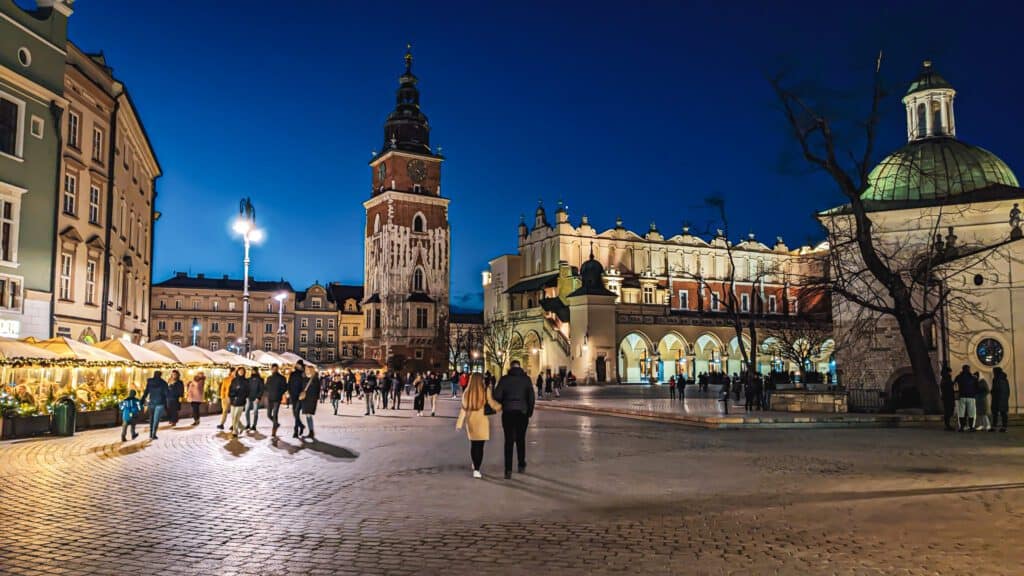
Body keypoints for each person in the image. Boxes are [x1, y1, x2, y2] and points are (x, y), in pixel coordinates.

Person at [492, 359, 536, 479]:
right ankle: (521, 464)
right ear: (520, 367)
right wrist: (529, 412)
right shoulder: (526, 380)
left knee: (508, 441)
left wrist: (505, 401)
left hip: (508, 413)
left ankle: (508, 470)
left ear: (510, 368)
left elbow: (496, 395)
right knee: (521, 439)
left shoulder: (504, 379)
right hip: (522, 412)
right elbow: (531, 397)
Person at [456, 373, 503, 478]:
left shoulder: (466, 393)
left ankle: (475, 465)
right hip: (482, 420)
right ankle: (477, 468)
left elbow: (463, 409)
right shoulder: (485, 390)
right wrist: (501, 407)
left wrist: (459, 423)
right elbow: (492, 403)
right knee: (480, 446)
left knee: (474, 444)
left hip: (471, 421)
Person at [140, 370, 169, 440]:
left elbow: (146, 392)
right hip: (160, 403)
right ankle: (153, 434)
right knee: (156, 420)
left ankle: (150, 433)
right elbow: (166, 394)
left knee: (151, 419)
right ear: (160, 375)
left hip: (152, 402)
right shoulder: (163, 383)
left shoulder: (150, 382)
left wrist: (142, 400)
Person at [265, 364, 287, 437]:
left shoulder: (282, 378)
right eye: (273, 368)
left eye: (275, 368)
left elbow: (285, 387)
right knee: (268, 414)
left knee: (275, 414)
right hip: (270, 398)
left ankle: (274, 430)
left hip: (277, 398)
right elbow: (266, 387)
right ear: (271, 369)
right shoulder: (269, 378)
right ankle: (276, 424)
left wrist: (280, 393)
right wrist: (268, 391)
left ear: (277, 369)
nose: (274, 370)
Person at [953, 365, 977, 432]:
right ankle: (971, 427)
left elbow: (954, 384)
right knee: (971, 412)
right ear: (969, 369)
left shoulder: (959, 377)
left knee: (961, 412)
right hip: (971, 397)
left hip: (962, 396)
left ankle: (962, 427)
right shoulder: (973, 377)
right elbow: (976, 386)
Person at [287, 361, 307, 438]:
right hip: (293, 396)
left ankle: (295, 431)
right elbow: (289, 383)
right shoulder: (292, 373)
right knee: (294, 414)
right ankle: (301, 426)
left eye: (299, 365)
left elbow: (305, 385)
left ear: (301, 366)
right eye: (297, 365)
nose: (297, 366)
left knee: (296, 412)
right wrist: (288, 391)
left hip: (299, 396)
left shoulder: (303, 374)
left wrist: (302, 393)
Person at [300, 365, 321, 441]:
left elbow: (318, 390)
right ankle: (311, 431)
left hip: (311, 400)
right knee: (307, 415)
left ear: (311, 370)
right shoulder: (304, 378)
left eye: (308, 369)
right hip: (305, 399)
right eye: (306, 369)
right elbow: (302, 388)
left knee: (309, 414)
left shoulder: (315, 379)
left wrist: (315, 399)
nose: (306, 371)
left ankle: (311, 431)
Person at [227, 367, 248, 438]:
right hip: (233, 400)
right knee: (233, 417)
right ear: (237, 372)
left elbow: (247, 391)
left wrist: (241, 394)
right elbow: (230, 389)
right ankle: (241, 427)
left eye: (242, 371)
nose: (241, 372)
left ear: (244, 372)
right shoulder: (234, 380)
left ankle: (235, 431)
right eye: (240, 371)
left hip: (241, 401)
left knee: (236, 416)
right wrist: (232, 395)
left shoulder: (246, 381)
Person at [991, 367, 1010, 433]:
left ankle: (995, 427)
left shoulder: (996, 379)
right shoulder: (1005, 379)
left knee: (997, 413)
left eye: (994, 371)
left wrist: (993, 392)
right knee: (1002, 413)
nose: (993, 372)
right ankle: (1003, 427)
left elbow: (996, 388)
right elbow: (1008, 390)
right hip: (1003, 398)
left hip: (998, 398)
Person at [245, 368, 265, 432]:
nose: (253, 372)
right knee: (246, 411)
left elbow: (261, 389)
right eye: (252, 371)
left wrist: (258, 397)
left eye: (254, 371)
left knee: (255, 412)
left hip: (256, 398)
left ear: (256, 371)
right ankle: (248, 424)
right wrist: (246, 396)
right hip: (248, 397)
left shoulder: (260, 380)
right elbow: (246, 388)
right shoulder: (248, 379)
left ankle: (254, 425)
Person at [939, 365, 955, 431]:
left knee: (948, 411)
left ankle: (947, 425)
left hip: (946, 397)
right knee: (948, 411)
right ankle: (947, 425)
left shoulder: (944, 379)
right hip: (948, 397)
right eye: (950, 372)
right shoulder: (946, 379)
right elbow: (948, 388)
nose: (951, 373)